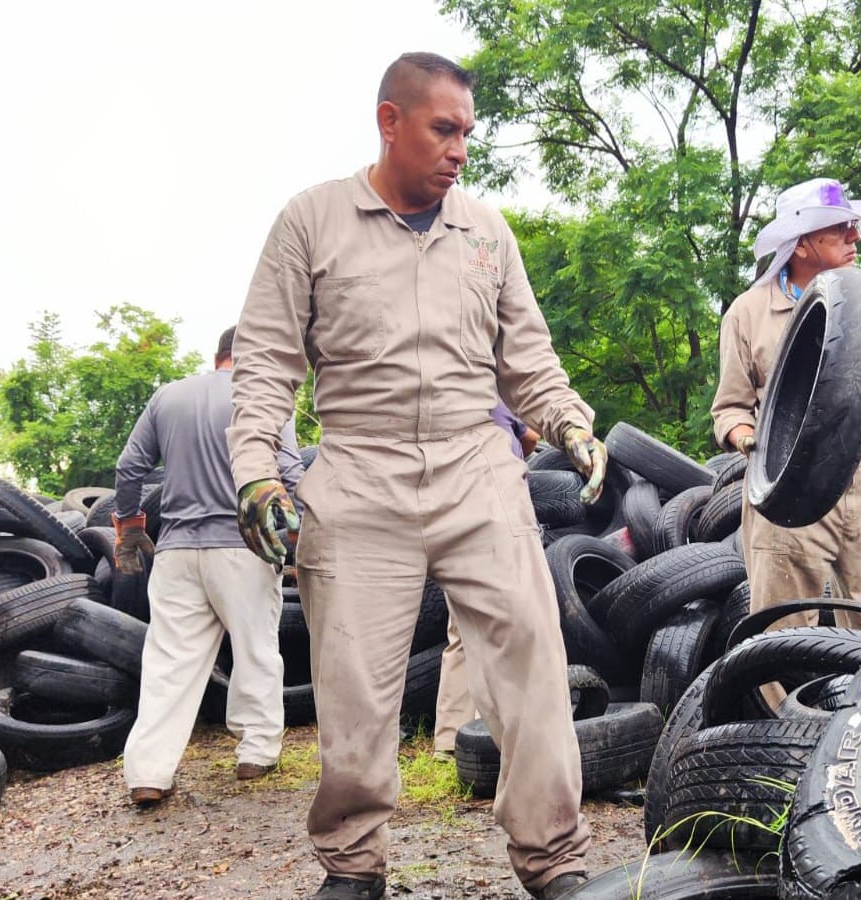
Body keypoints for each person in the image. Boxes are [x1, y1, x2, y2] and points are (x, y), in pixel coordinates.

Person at [225, 52, 607, 900]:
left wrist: (571, 422)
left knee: (532, 667)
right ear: (389, 121)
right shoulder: (312, 222)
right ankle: (353, 869)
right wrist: (258, 473)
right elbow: (265, 368)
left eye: (468, 133)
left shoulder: (486, 231)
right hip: (360, 470)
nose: (460, 150)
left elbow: (530, 363)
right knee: (356, 688)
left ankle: (554, 862)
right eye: (444, 129)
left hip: (480, 467)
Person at [711, 177, 861, 703]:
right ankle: (781, 742)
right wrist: (756, 446)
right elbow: (730, 411)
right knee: (782, 637)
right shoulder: (748, 312)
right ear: (804, 242)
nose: (855, 235)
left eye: (855, 226)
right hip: (785, 498)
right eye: (841, 228)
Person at [113, 326, 305, 807]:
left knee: (168, 662)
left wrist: (131, 525)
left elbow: (128, 468)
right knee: (255, 648)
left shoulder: (168, 397)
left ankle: (148, 774)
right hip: (243, 547)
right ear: (257, 355)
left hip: (176, 551)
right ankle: (255, 752)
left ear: (216, 354)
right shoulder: (265, 399)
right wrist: (301, 540)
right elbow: (291, 474)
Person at [432, 399, 538, 762]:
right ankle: (490, 741)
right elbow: (532, 437)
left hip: (451, 517)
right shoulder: (493, 397)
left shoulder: (444, 400)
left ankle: (449, 739)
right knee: (499, 628)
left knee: (460, 632)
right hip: (495, 518)